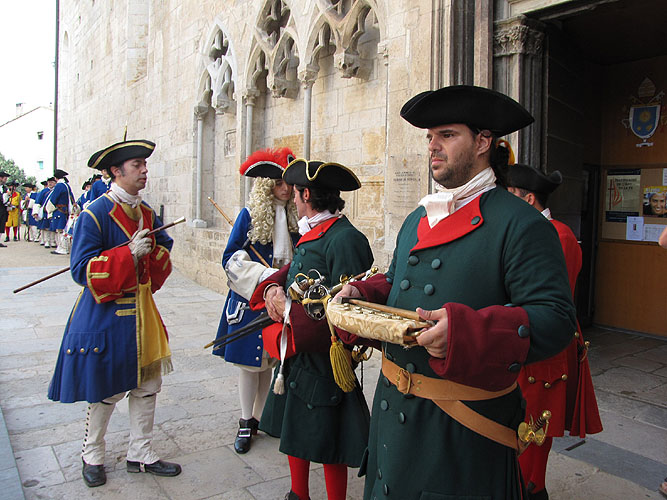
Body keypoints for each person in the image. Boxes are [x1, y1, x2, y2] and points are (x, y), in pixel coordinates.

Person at [334, 85, 576, 500]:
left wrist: (466, 333)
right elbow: (396, 281)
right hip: (392, 418)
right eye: (430, 137)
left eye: (447, 135)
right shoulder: (417, 218)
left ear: (483, 142)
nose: (433, 146)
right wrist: (361, 293)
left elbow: (556, 320)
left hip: (460, 432)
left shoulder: (522, 224)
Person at [47, 138, 181, 488]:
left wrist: (151, 254)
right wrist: (127, 255)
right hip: (105, 313)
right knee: (105, 388)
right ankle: (92, 453)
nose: (145, 170)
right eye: (137, 165)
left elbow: (163, 251)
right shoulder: (94, 214)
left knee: (148, 384)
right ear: (115, 171)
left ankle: (141, 452)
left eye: (144, 164)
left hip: (142, 310)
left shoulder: (147, 213)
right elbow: (80, 269)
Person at [249, 159, 374, 500]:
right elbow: (297, 273)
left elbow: (351, 311)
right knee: (297, 430)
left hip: (326, 358)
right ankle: (298, 494)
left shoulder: (345, 239)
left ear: (306, 195)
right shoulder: (316, 231)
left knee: (330, 439)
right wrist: (271, 289)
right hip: (300, 354)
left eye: (295, 193)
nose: (293, 198)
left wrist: (291, 316)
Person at [505, 164, 603, 500]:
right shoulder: (538, 231)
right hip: (528, 338)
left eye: (510, 195)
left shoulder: (556, 235)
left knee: (533, 425)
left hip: (544, 344)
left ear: (528, 198)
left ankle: (531, 489)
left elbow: (543, 301)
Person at [212, 147, 300, 454]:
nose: (285, 189)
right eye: (279, 183)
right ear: (266, 185)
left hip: (282, 299)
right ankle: (244, 420)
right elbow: (230, 258)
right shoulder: (248, 216)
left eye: (288, 183)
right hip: (252, 298)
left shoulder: (296, 218)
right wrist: (264, 274)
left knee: (270, 360)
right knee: (250, 364)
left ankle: (261, 418)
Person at [46, 169, 76, 255]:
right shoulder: (66, 185)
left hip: (59, 210)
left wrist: (49, 209)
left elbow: (53, 199)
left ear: (56, 178)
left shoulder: (59, 185)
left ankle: (63, 248)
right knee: (62, 229)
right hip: (65, 210)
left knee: (60, 230)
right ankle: (62, 247)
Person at [0, 171, 8, 247]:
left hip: (3, 209)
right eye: (5, 179)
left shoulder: (5, 188)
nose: (5, 180)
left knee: (1, 225)